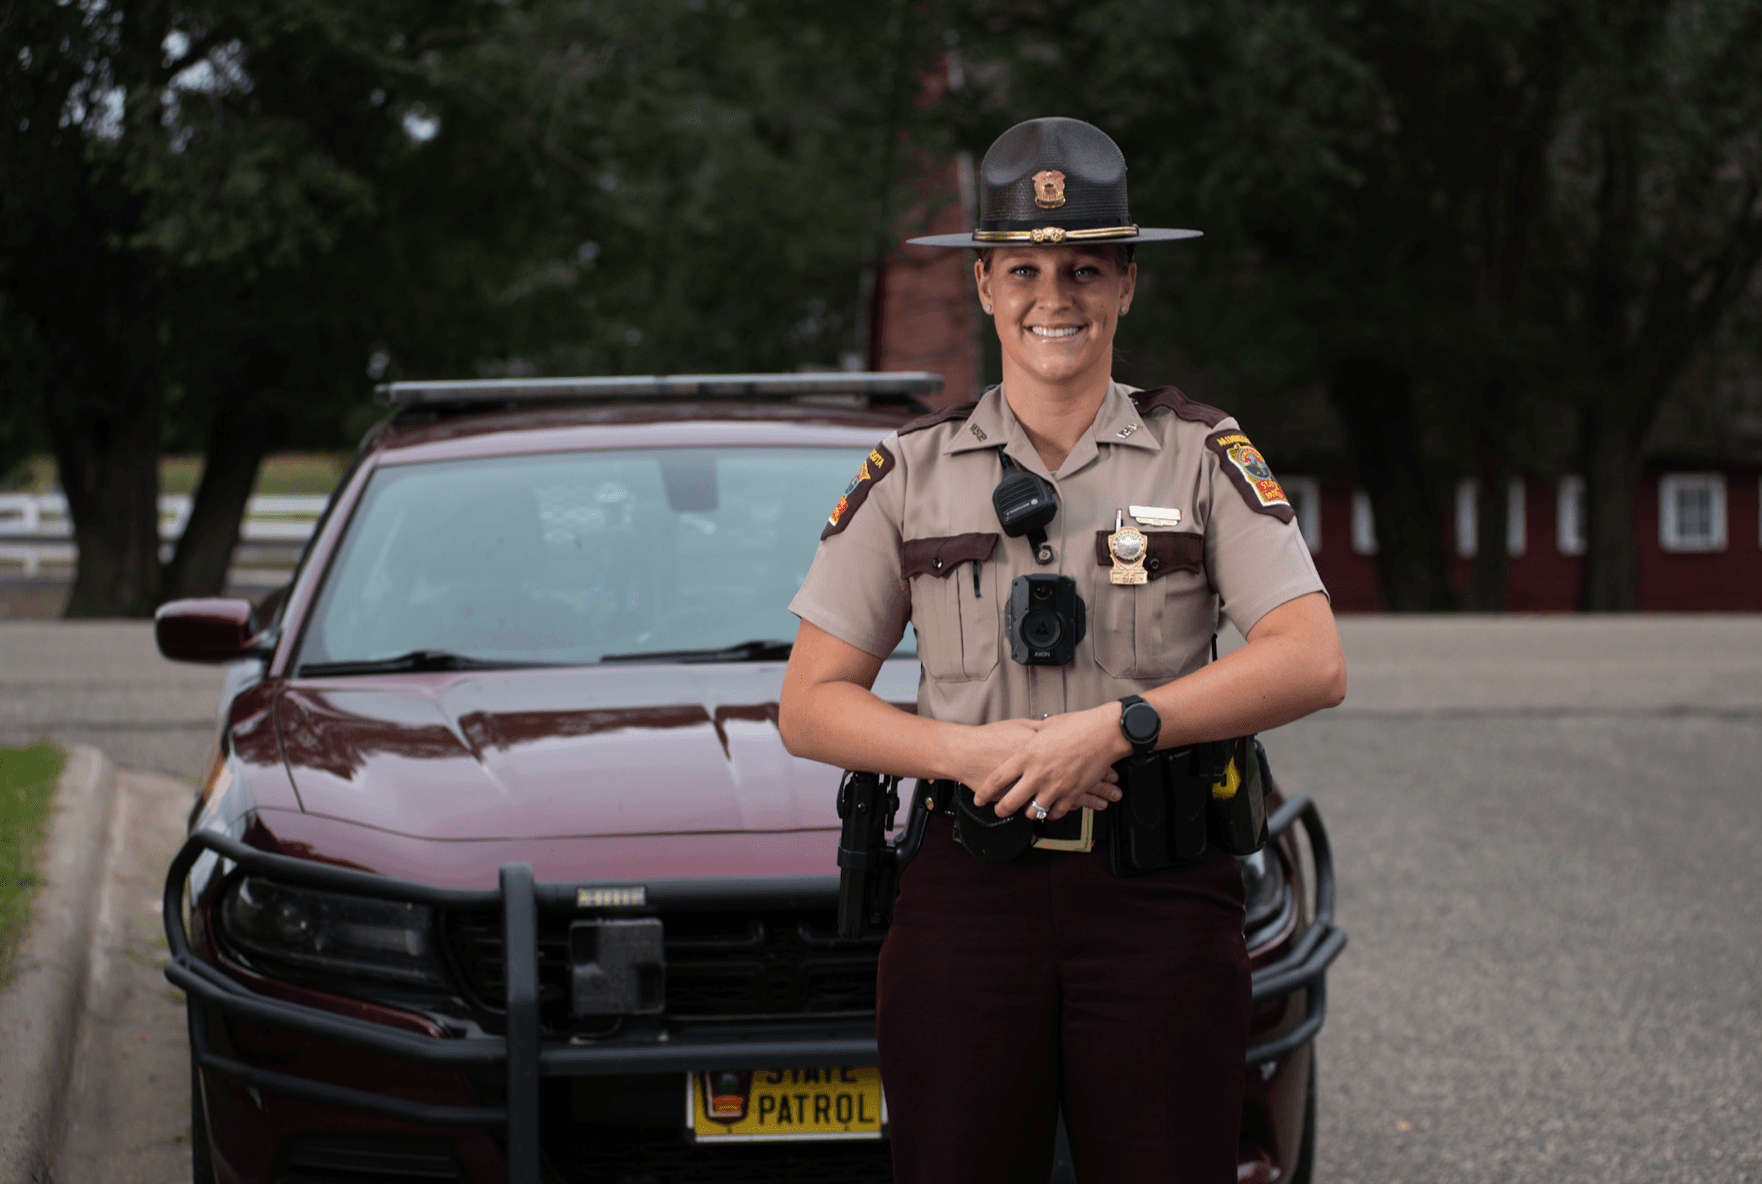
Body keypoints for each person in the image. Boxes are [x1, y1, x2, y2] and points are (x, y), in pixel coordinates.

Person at [778, 117, 1346, 1184]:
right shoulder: (909, 473)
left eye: (1085, 267)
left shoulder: (1201, 457)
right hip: (965, 894)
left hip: (1159, 897)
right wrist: (962, 754)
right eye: (1024, 268)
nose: (1055, 297)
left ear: (1127, 284)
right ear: (985, 287)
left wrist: (1122, 726)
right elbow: (810, 703)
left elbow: (1310, 656)